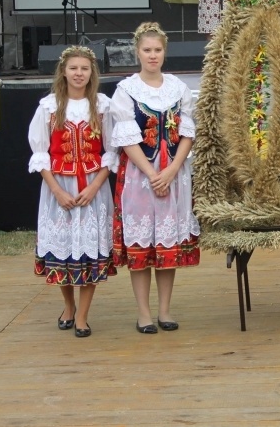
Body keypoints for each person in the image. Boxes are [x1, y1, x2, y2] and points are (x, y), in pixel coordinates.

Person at [110, 22, 200, 333]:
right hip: (140, 177)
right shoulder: (126, 91)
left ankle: (164, 311)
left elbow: (188, 132)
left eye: (157, 50)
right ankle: (143, 313)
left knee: (167, 245)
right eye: (147, 50)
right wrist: (152, 174)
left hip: (174, 175)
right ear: (137, 52)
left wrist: (173, 169)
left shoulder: (178, 87)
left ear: (165, 52)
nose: (152, 55)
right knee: (141, 246)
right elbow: (126, 138)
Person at [29, 45, 118, 338]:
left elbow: (112, 151)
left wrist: (95, 186)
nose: (79, 73)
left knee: (88, 249)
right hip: (59, 186)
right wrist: (56, 191)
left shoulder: (103, 106)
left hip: (93, 186)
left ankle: (82, 315)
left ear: (92, 73)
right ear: (63, 72)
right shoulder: (49, 106)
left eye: (84, 68)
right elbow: (40, 152)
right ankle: (68, 305)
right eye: (73, 68)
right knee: (63, 249)